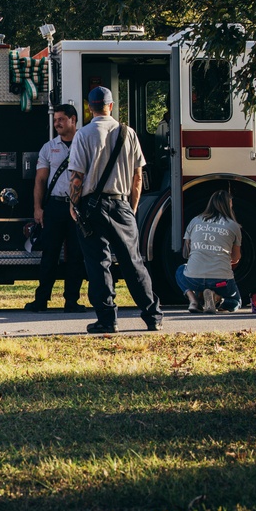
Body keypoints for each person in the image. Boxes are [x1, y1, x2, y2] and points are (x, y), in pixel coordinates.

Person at [68, 87, 164, 333]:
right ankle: (152, 315)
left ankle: (107, 319)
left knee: (98, 263)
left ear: (89, 108)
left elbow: (77, 176)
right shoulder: (128, 133)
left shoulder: (83, 135)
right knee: (133, 261)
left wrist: (73, 204)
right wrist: (130, 207)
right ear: (111, 106)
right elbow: (137, 177)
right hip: (121, 203)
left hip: (91, 206)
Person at [25, 103, 87, 313]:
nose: (57, 123)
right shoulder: (48, 147)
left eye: (61, 119)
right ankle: (41, 300)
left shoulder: (85, 143)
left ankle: (72, 301)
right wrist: (38, 209)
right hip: (55, 207)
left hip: (78, 208)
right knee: (49, 255)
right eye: (55, 120)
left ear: (73, 120)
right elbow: (40, 180)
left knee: (76, 256)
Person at [176, 189, 242, 313]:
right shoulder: (234, 226)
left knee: (180, 270)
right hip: (221, 280)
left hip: (194, 279)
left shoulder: (195, 221)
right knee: (236, 302)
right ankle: (217, 298)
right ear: (229, 206)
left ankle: (193, 300)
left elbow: (186, 252)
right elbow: (236, 258)